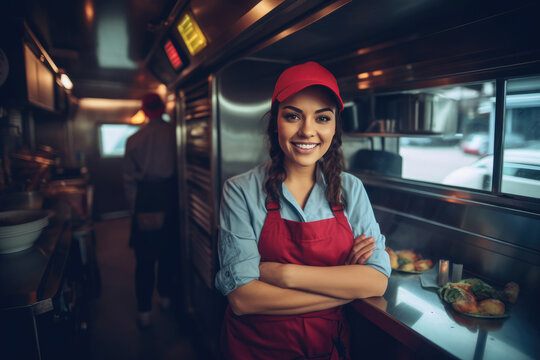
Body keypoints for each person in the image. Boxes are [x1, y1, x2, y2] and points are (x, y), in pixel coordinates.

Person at [215, 61, 391, 359]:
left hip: (327, 348)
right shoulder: (240, 190)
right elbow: (244, 299)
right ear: (275, 122)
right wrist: (344, 286)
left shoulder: (350, 189)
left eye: (322, 118)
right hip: (254, 349)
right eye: (293, 116)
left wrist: (284, 275)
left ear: (334, 127)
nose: (307, 131)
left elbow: (376, 281)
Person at [123, 92, 177, 328]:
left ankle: (144, 309)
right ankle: (166, 297)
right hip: (171, 196)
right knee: (168, 252)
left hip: (146, 198)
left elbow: (128, 180)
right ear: (163, 108)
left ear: (144, 110)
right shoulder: (176, 133)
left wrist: (135, 209)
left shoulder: (135, 139)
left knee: (144, 258)